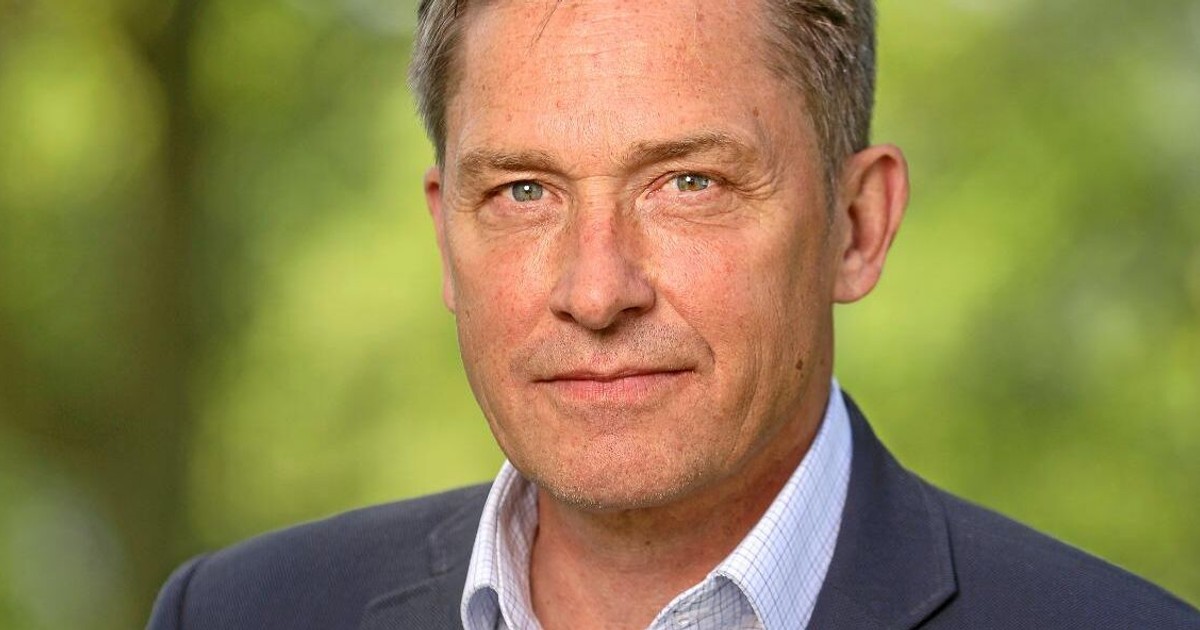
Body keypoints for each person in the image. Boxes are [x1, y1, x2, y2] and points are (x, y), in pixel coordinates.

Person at [147, 1, 1200, 628]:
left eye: (689, 183)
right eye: (523, 192)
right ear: (445, 238)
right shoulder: (242, 614)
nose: (597, 291)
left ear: (856, 225)